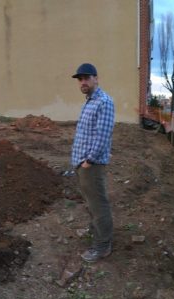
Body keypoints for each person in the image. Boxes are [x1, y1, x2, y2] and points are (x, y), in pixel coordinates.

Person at [70, 63, 116, 262]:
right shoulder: (89, 101)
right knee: (91, 202)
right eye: (80, 79)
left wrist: (89, 160)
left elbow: (102, 135)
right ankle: (96, 233)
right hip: (82, 163)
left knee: (99, 205)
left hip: (91, 165)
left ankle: (102, 246)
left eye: (87, 78)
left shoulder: (103, 102)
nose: (83, 82)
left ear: (96, 78)